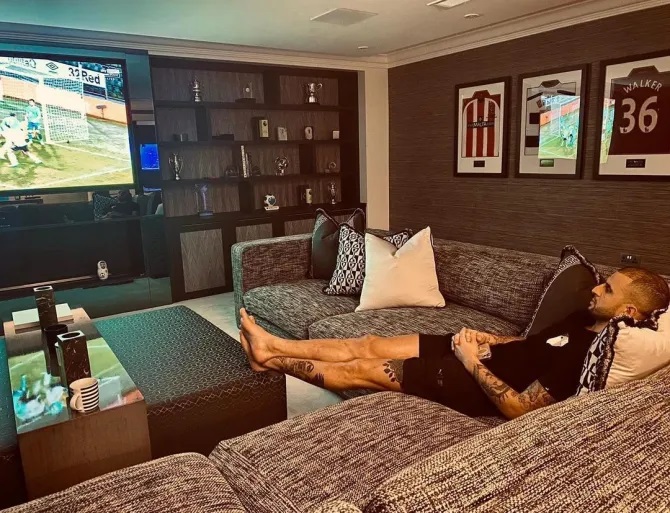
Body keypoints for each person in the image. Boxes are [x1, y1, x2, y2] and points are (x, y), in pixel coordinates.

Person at [239, 267, 670, 420]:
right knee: (369, 342)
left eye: (608, 290)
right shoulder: (583, 320)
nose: (596, 288)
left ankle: (270, 360)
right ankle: (274, 341)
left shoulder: (586, 358)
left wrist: (470, 360)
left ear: (629, 313)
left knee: (360, 371)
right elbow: (529, 343)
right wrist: (489, 338)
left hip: (471, 382)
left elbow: (520, 408)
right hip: (479, 352)